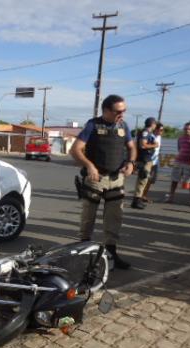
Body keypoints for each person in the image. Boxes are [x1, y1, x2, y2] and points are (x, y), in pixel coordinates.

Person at [70, 94, 137, 269]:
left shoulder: (124, 126)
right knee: (88, 217)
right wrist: (89, 166)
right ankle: (84, 253)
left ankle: (111, 254)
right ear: (106, 110)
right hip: (95, 179)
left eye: (124, 110)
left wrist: (130, 163)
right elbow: (75, 149)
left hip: (116, 179)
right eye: (119, 111)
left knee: (114, 218)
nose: (122, 114)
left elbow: (131, 147)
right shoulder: (93, 124)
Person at [165, 123, 190, 205]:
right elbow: (179, 149)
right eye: (185, 129)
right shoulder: (180, 138)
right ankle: (171, 197)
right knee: (174, 180)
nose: (187, 130)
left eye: (189, 129)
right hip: (179, 161)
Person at [131, 117, 159, 209]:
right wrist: (155, 145)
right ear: (152, 124)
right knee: (142, 179)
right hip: (144, 159)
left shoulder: (148, 132)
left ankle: (138, 199)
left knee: (144, 180)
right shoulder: (145, 132)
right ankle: (136, 200)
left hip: (147, 159)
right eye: (155, 124)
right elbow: (143, 145)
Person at [141, 122, 164, 202]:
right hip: (148, 161)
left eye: (162, 130)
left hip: (155, 162)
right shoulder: (151, 136)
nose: (161, 132)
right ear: (156, 129)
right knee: (145, 179)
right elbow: (144, 146)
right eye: (160, 130)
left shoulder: (159, 137)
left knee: (151, 180)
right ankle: (139, 196)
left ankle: (144, 195)